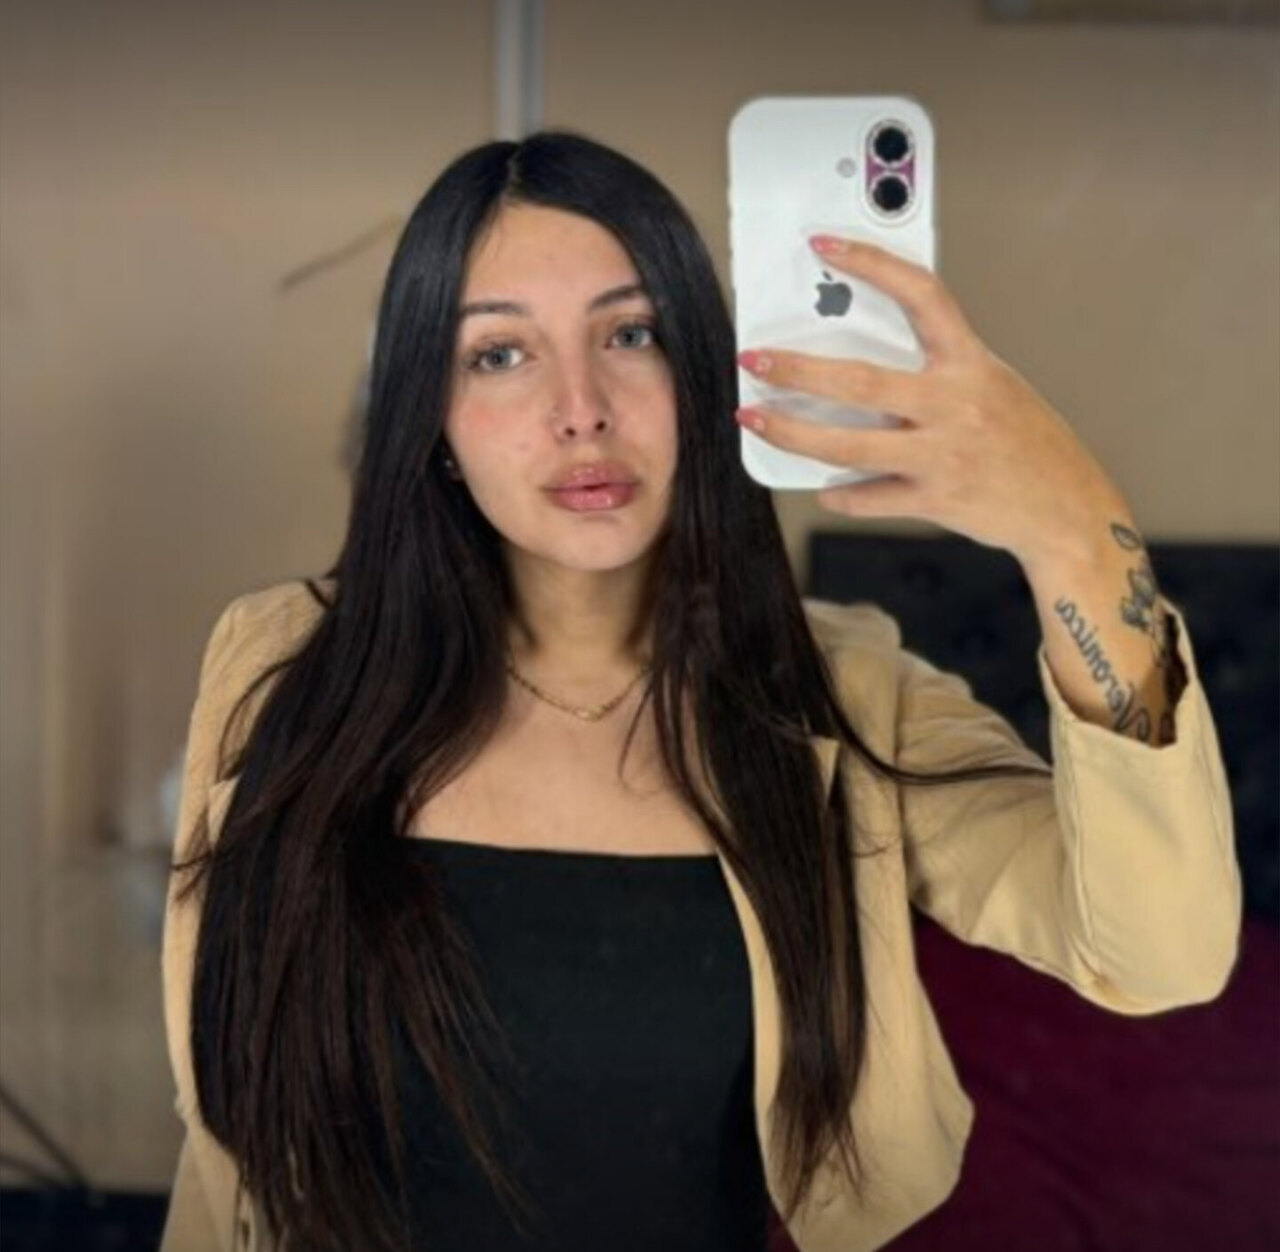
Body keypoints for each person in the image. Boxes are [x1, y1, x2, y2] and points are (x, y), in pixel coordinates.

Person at [159, 129, 1242, 1252]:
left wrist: (1073, 533)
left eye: (632, 333)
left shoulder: (837, 693)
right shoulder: (281, 666)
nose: (581, 407)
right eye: (500, 353)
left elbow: (1157, 950)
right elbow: (219, 1168)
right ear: (428, 415)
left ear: (706, 370)